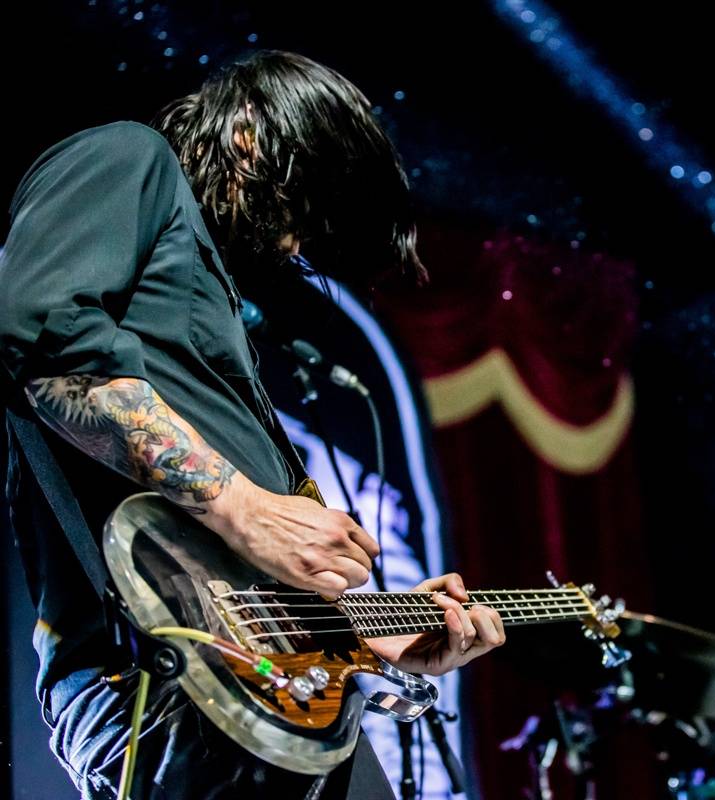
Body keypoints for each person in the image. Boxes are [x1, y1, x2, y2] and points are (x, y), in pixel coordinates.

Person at [0, 51, 504, 798]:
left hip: (271, 687)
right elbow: (44, 336)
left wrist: (369, 632)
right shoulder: (128, 157)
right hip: (168, 675)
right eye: (297, 205)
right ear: (248, 133)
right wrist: (242, 506)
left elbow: (239, 581)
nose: (292, 243)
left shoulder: (204, 301)